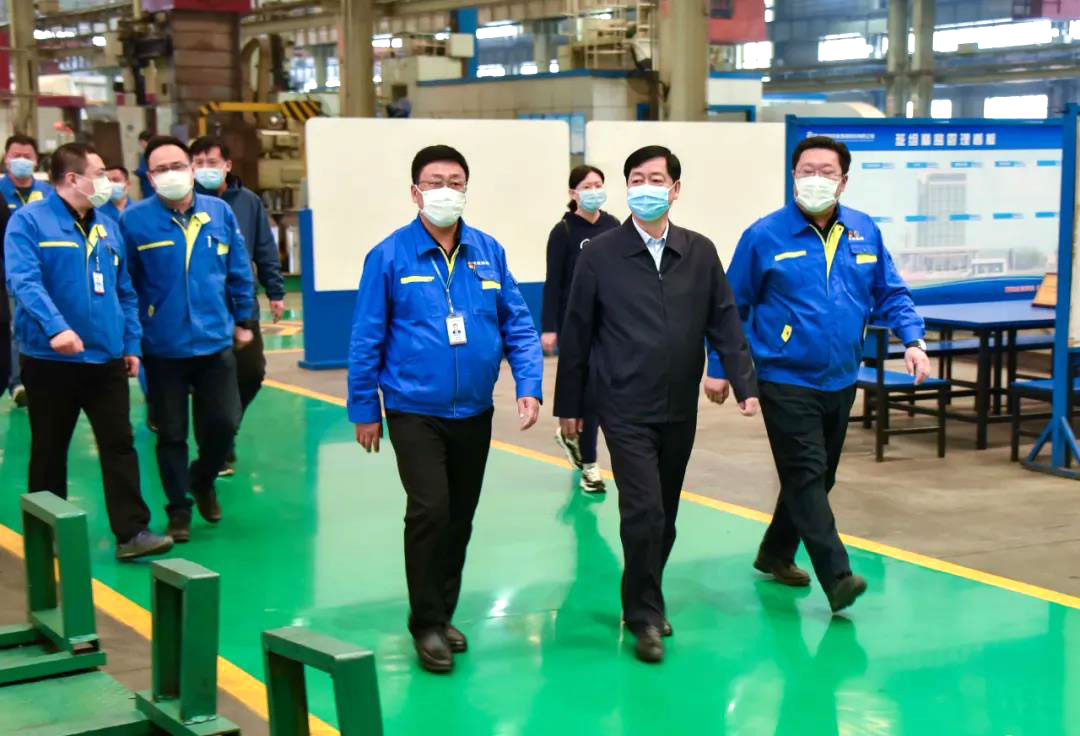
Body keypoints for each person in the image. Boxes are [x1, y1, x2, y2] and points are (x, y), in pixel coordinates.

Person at [705, 135, 930, 614]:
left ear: (843, 181)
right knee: (806, 475)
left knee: (818, 476)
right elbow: (729, 307)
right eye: (806, 170)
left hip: (842, 377)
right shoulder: (764, 236)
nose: (816, 179)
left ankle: (775, 552)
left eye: (826, 172)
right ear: (793, 177)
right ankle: (837, 577)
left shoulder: (864, 232)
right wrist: (720, 368)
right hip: (784, 377)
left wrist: (913, 340)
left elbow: (890, 293)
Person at [554, 145, 759, 664]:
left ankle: (644, 593)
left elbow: (724, 318)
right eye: (637, 179)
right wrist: (569, 405)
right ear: (627, 188)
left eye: (656, 178)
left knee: (664, 515)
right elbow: (578, 333)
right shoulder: (600, 254)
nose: (646, 187)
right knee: (642, 510)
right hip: (623, 404)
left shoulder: (699, 252)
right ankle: (644, 614)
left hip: (678, 406)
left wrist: (743, 380)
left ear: (675, 189)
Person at [348, 145, 543, 674]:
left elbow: (518, 324)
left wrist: (528, 384)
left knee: (459, 517)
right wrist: (364, 407)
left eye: (455, 182)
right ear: (415, 192)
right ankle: (425, 623)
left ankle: (442, 612)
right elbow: (366, 337)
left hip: (474, 411)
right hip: (414, 409)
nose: (446, 191)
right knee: (430, 510)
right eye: (435, 182)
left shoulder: (488, 251)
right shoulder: (389, 256)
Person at [4, 142, 173, 560]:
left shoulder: (109, 227)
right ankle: (46, 533)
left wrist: (130, 343)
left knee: (119, 445)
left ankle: (132, 532)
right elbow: (24, 281)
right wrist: (56, 328)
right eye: (99, 174)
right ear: (72, 178)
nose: (107, 182)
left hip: (106, 358)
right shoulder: (30, 222)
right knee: (49, 449)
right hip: (51, 360)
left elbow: (125, 290)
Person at [120, 136, 255, 543]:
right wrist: (133, 338)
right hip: (163, 347)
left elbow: (238, 269)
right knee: (172, 434)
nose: (171, 174)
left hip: (215, 341)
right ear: (149, 177)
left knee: (224, 423)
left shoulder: (219, 213)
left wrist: (244, 319)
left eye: (177, 165)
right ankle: (178, 509)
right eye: (160, 169)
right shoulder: (134, 222)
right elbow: (127, 284)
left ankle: (203, 478)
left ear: (192, 169)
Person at [190, 136, 286, 476]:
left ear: (227, 166)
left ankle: (224, 430)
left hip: (242, 306)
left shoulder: (248, 202)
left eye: (212, 162)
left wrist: (275, 290)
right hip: (203, 310)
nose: (205, 169)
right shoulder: (186, 204)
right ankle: (216, 451)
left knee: (251, 372)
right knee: (207, 383)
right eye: (198, 163)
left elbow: (264, 248)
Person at [542, 164, 619, 494]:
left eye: (599, 184)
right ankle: (590, 466)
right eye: (587, 186)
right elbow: (553, 282)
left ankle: (575, 440)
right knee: (587, 395)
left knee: (605, 395)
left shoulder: (614, 226)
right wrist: (549, 327)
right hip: (576, 326)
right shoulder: (563, 231)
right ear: (573, 193)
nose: (594, 191)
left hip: (611, 325)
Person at [2, 134, 51, 407]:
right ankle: (17, 382)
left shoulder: (48, 193)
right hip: (8, 273)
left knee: (44, 321)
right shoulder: (0, 191)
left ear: (36, 160)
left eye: (27, 156)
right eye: (16, 155)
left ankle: (43, 378)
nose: (21, 160)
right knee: (14, 327)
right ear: (6, 159)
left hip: (45, 272)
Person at [134, 131, 154, 199]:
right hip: (147, 187)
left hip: (150, 187)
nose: (140, 144)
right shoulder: (146, 154)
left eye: (140, 142)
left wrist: (138, 172)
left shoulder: (149, 154)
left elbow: (146, 172)